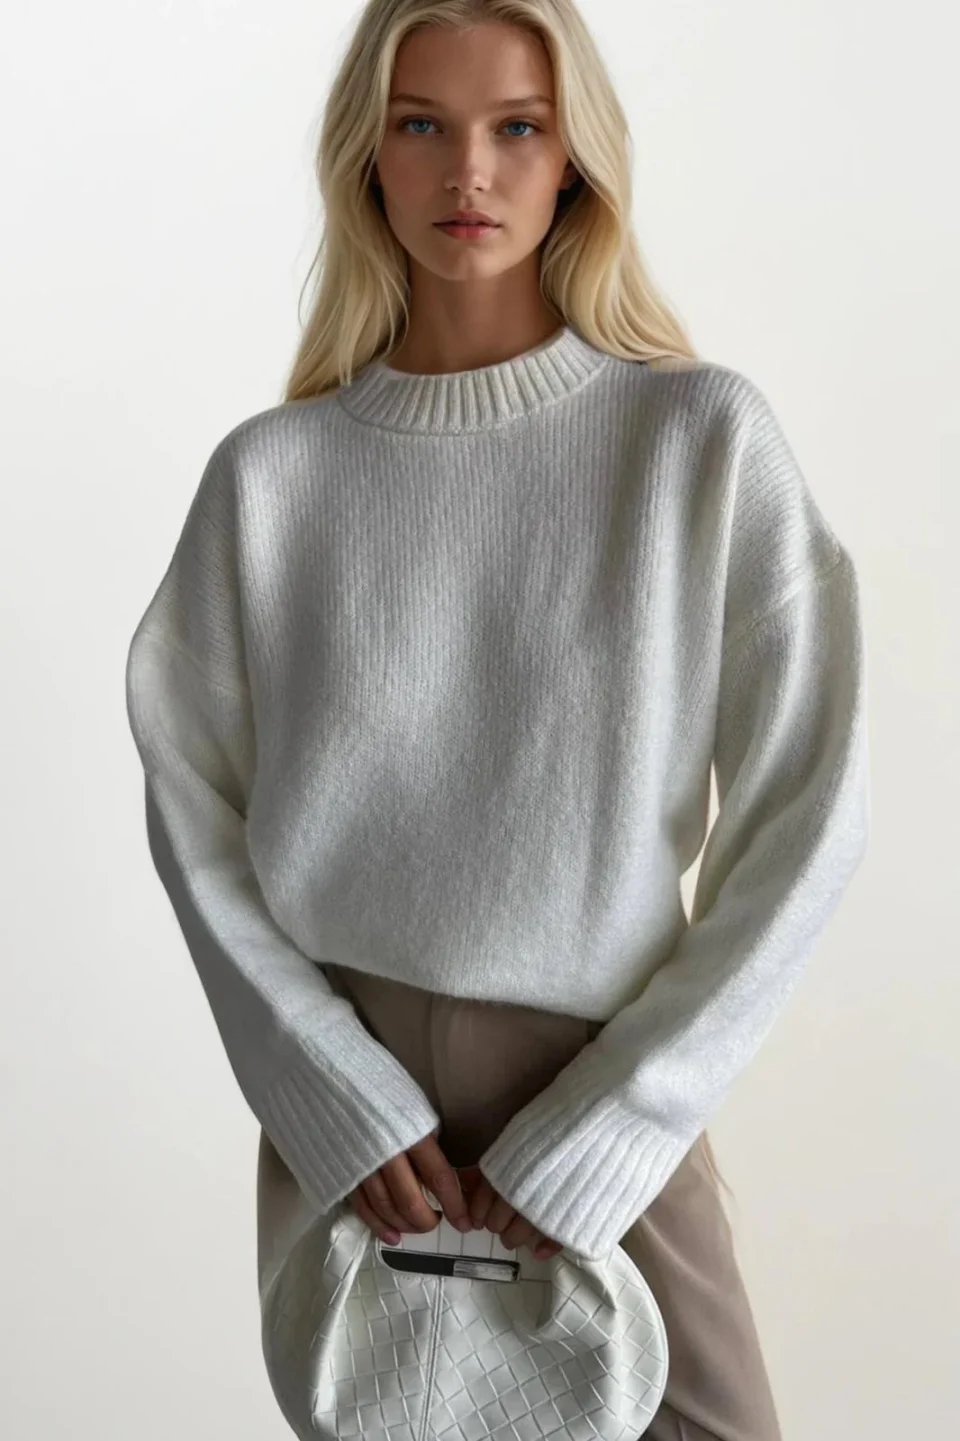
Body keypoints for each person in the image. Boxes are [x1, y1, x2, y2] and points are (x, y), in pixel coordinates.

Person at [124, 2, 870, 1438]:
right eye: (423, 124)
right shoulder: (273, 480)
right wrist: (328, 1096)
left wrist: (625, 1116)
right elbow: (191, 803)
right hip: (356, 1100)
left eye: (517, 126)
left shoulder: (698, 442)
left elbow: (810, 811)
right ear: (370, 154)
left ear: (575, 156)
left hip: (599, 1077)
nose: (470, 170)